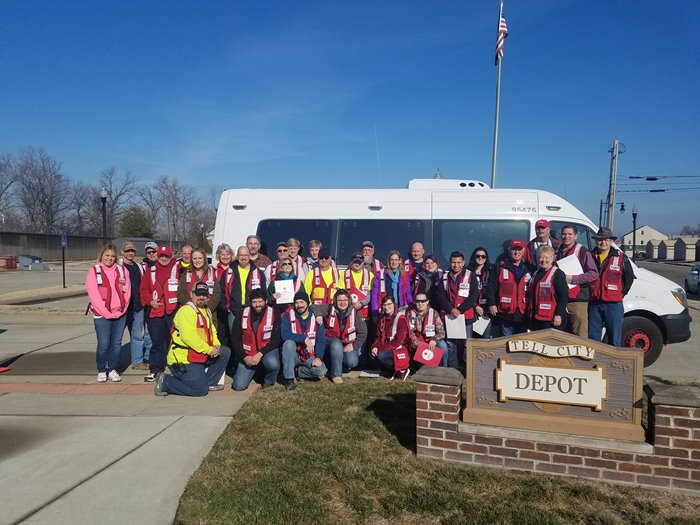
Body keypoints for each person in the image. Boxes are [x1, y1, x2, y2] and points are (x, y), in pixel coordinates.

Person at [154, 282, 231, 397]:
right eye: (198, 294)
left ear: (208, 296)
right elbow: (189, 338)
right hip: (182, 360)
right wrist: (209, 350)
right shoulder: (186, 311)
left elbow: (212, 331)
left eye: (204, 295)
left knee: (224, 352)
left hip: (197, 354)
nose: (201, 297)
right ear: (191, 294)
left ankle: (209, 382)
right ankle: (165, 381)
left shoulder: (206, 310)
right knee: (200, 391)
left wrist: (216, 345)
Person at [86, 244, 131, 382]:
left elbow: (127, 291)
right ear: (102, 256)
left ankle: (112, 368)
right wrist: (106, 313)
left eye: (112, 256)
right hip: (102, 315)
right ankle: (101, 369)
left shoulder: (122, 270)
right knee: (103, 344)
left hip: (120, 314)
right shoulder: (94, 271)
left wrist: (122, 310)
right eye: (107, 255)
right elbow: (94, 296)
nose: (110, 258)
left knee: (116, 344)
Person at [588, 227, 636, 346]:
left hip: (614, 304)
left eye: (606, 240)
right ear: (596, 241)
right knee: (593, 337)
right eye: (600, 239)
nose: (603, 242)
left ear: (611, 241)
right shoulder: (589, 256)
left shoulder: (621, 257)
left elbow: (629, 278)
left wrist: (621, 294)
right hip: (594, 303)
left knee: (614, 337)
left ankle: (612, 363)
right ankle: (594, 361)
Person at [140, 244, 179, 382]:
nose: (163, 258)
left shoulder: (178, 269)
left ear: (171, 256)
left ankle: (177, 368)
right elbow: (143, 290)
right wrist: (150, 302)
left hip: (173, 312)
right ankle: (155, 369)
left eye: (166, 256)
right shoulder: (150, 271)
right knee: (157, 342)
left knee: (176, 341)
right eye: (161, 256)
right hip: (156, 312)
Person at [435, 250, 479, 369]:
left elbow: (474, 295)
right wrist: (450, 309)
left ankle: (466, 369)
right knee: (451, 344)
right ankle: (454, 367)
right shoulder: (444, 276)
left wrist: (460, 309)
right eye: (453, 262)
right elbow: (440, 296)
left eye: (459, 262)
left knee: (466, 344)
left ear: (463, 262)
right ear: (450, 262)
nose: (456, 265)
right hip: (450, 316)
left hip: (466, 316)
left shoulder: (470, 276)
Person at [312, 289, 367, 384]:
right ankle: (336, 375)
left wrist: (354, 345)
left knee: (352, 362)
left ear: (349, 301)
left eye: (345, 300)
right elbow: (313, 307)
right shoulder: (329, 308)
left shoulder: (355, 312)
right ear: (335, 301)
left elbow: (363, 333)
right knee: (336, 344)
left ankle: (336, 364)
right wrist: (319, 315)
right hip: (330, 342)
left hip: (346, 343)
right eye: (339, 300)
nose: (342, 303)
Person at [231, 288, 282, 390]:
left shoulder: (274, 314)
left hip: (266, 350)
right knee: (238, 386)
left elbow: (276, 339)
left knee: (273, 364)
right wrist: (245, 357)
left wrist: (260, 354)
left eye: (260, 301)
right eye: (254, 302)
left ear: (266, 301)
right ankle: (255, 371)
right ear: (250, 302)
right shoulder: (242, 314)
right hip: (248, 353)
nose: (257, 304)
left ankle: (269, 382)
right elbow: (235, 339)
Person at [555, 224, 599, 337]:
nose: (566, 236)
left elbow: (594, 274)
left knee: (579, 335)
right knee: (559, 335)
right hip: (559, 299)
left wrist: (573, 279)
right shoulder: (556, 252)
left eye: (570, 234)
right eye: (564, 234)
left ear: (575, 236)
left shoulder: (583, 252)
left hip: (577, 300)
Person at [280, 291, 327, 389]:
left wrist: (319, 357)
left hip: (309, 354)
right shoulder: (288, 315)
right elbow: (284, 334)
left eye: (302, 302)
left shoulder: (316, 317)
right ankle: (289, 379)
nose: (299, 305)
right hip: (293, 355)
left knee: (321, 370)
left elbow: (320, 340)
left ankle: (299, 372)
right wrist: (303, 338)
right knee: (288, 343)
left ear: (307, 303)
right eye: (296, 303)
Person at [487, 240, 535, 336]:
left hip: (523, 313)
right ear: (509, 250)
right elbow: (491, 286)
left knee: (520, 343)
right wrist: (491, 303)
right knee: (506, 343)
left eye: (519, 250)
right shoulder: (499, 267)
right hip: (505, 312)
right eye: (514, 249)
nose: (516, 252)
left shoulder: (531, 268)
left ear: (523, 251)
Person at [120, 241, 149, 370]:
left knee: (137, 335)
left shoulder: (139, 267)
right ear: (122, 252)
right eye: (127, 251)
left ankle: (137, 361)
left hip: (137, 307)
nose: (130, 253)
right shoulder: (118, 267)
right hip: (122, 309)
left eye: (132, 251)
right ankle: (114, 363)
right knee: (117, 337)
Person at [527, 245, 569, 331]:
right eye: (541, 257)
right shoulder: (535, 274)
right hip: (537, 317)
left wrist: (558, 315)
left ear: (552, 258)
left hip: (551, 318)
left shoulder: (558, 274)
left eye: (546, 257)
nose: (543, 260)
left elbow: (564, 296)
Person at [370, 295, 410, 380]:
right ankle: (391, 370)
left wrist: (380, 348)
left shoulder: (401, 319)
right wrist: (375, 347)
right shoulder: (382, 319)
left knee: (381, 355)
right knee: (371, 354)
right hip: (387, 346)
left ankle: (402, 370)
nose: (386, 307)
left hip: (399, 348)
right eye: (384, 305)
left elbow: (398, 341)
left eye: (389, 304)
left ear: (394, 304)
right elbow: (378, 337)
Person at [227, 245, 266, 326]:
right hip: (234, 311)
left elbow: (263, 292)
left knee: (252, 337)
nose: (243, 258)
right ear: (237, 256)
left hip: (253, 311)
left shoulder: (258, 273)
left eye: (245, 255)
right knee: (234, 337)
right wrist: (226, 307)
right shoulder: (229, 272)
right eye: (241, 255)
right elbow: (223, 291)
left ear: (249, 256)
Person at [407, 291, 449, 367]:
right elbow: (409, 332)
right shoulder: (410, 313)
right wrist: (418, 344)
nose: (420, 303)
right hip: (417, 342)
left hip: (431, 341)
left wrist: (434, 340)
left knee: (443, 345)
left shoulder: (434, 313)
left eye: (423, 301)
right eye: (417, 301)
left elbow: (442, 332)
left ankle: (444, 368)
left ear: (427, 301)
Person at [370, 250, 412, 319]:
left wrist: (411, 307)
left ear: (399, 261)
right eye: (392, 260)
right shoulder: (380, 274)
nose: (394, 262)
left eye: (396, 260)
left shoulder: (404, 275)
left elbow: (408, 293)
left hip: (401, 308)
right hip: (386, 309)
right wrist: (375, 313)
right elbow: (374, 295)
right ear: (388, 261)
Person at [177, 247, 220, 312]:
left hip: (208, 311)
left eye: (200, 258)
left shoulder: (212, 273)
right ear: (191, 260)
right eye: (194, 258)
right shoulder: (186, 274)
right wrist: (192, 306)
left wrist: (206, 309)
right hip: (190, 311)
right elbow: (180, 293)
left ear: (204, 259)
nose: (197, 261)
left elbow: (217, 294)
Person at [467, 247, 493, 339]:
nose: (480, 258)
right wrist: (475, 306)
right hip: (470, 310)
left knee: (486, 340)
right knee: (470, 341)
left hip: (486, 311)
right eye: (478, 256)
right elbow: (464, 293)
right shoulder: (467, 272)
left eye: (483, 256)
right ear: (474, 257)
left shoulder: (491, 271)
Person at [214, 243, 235, 348]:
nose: (225, 257)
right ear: (219, 256)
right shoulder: (214, 271)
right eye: (223, 254)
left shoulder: (235, 269)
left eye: (228, 254)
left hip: (232, 307)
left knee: (232, 335)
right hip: (219, 307)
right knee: (220, 334)